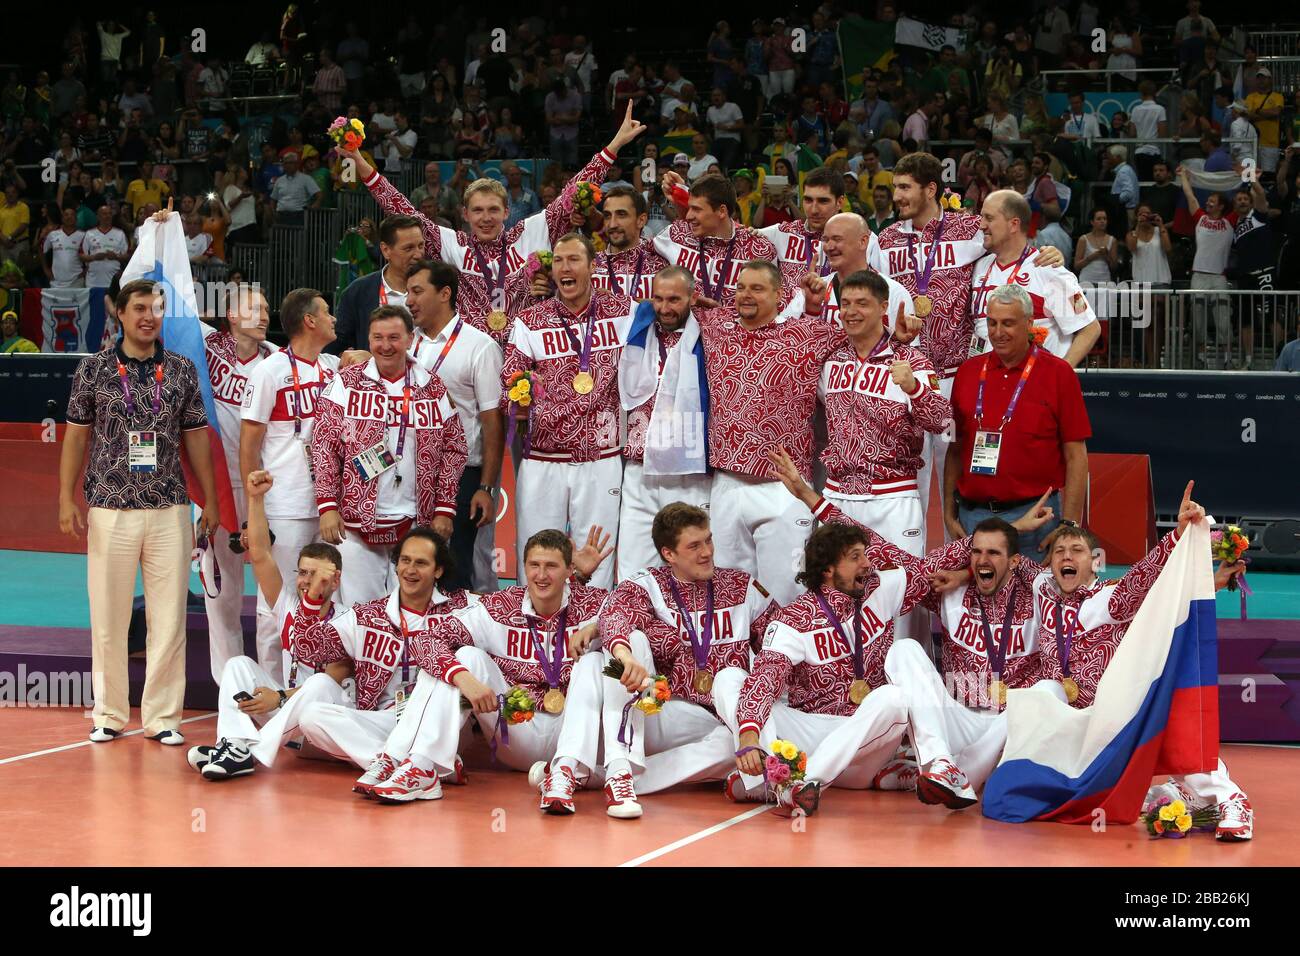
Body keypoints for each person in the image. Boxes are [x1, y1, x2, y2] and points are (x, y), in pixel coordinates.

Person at [716, 451, 987, 814]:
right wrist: (748, 732)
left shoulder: (882, 589)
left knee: (893, 696)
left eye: (865, 555)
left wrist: (986, 540)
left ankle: (795, 783)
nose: (868, 563)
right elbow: (766, 678)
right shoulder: (796, 619)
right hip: (810, 732)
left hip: (865, 740)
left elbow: (925, 564)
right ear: (828, 570)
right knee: (730, 679)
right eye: (856, 557)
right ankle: (781, 779)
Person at [339, 102, 647, 344]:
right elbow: (400, 206)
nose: (485, 218)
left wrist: (615, 145)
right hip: (469, 355)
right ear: (465, 213)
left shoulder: (531, 232)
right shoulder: (451, 244)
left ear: (506, 210)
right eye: (478, 211)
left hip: (527, 349)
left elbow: (574, 191)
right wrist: (361, 163)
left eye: (492, 210)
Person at [60, 277, 219, 744]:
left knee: (168, 619)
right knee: (108, 616)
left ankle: (163, 718)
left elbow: (196, 439)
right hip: (109, 508)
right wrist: (64, 497)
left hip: (170, 507)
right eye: (140, 308)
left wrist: (207, 497)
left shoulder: (183, 369)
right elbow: (75, 436)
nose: (149, 316)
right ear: (120, 314)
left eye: (156, 308)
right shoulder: (93, 370)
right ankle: (108, 713)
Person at [355, 529, 609, 806]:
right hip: (516, 729)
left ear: (569, 570)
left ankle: (565, 772)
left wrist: (597, 627)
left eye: (551, 566)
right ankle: (422, 766)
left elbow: (635, 617)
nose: (541, 575)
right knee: (465, 656)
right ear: (523, 568)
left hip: (570, 730)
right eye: (534, 566)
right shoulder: (500, 606)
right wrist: (464, 678)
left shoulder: (595, 604)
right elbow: (428, 640)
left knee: (595, 661)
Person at [878, 152, 1063, 518]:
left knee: (958, 481)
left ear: (931, 189)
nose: (895, 196)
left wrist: (1048, 253)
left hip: (957, 375)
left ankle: (959, 562)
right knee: (907, 484)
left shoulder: (968, 229)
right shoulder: (884, 240)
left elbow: (1012, 243)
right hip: (904, 376)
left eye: (903, 187)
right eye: (894, 187)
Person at [598, 503, 777, 816]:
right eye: (694, 546)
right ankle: (617, 767)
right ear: (669, 554)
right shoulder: (649, 585)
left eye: (708, 540)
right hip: (666, 713)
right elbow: (613, 614)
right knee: (626, 644)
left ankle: (612, 778)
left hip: (721, 716)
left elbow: (779, 638)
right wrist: (625, 655)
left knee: (735, 742)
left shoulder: (740, 586)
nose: (707, 552)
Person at [689, 261, 841, 605]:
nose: (746, 295)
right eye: (741, 287)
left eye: (757, 289)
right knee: (729, 596)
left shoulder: (809, 333)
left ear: (780, 295)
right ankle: (735, 659)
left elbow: (865, 335)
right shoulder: (716, 325)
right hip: (727, 484)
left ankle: (786, 658)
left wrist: (904, 335)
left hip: (784, 488)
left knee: (788, 594)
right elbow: (668, 305)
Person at [187, 469, 351, 780]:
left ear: (335, 580)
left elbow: (334, 680)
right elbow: (260, 553)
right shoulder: (290, 607)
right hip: (288, 721)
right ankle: (234, 744)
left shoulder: (348, 621)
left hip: (326, 727)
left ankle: (249, 750)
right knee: (237, 665)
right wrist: (255, 498)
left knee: (319, 684)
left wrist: (278, 698)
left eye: (317, 575)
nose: (306, 582)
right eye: (302, 573)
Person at [500, 233, 635, 590]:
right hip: (544, 459)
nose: (565, 268)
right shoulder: (530, 321)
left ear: (593, 266)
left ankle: (592, 634)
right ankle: (533, 635)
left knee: (599, 552)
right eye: (558, 261)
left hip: (601, 456)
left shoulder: (625, 312)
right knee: (538, 551)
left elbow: (671, 313)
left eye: (574, 259)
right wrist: (523, 399)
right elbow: (509, 381)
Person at [313, 304, 467, 607]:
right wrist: (327, 506)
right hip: (355, 523)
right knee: (361, 613)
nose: (385, 346)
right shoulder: (345, 384)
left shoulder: (431, 386)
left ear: (410, 338)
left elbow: (455, 448)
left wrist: (445, 508)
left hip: (416, 521)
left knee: (412, 612)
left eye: (394, 337)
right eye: (377, 338)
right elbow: (323, 446)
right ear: (368, 339)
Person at [292, 527, 479, 774]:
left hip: (437, 723)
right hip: (385, 720)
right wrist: (314, 594)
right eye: (405, 561)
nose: (410, 570)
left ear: (438, 570)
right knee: (311, 716)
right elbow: (309, 647)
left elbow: (513, 616)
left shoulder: (463, 609)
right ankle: (413, 767)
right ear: (396, 565)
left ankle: (406, 763)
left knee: (471, 659)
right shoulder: (367, 615)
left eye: (421, 563)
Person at [240, 289, 341, 684]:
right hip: (285, 503)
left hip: (331, 504)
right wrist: (255, 509)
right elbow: (249, 443)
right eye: (327, 312)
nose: (334, 318)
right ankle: (271, 692)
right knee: (277, 603)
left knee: (326, 599)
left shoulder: (334, 368)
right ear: (310, 321)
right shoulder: (268, 372)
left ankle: (314, 688)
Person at [944, 283, 1091, 554]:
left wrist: (1069, 525)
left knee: (1035, 596)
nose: (998, 333)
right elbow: (954, 448)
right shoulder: (967, 372)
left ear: (1029, 323)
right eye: (992, 323)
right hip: (972, 517)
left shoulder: (1059, 374)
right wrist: (949, 513)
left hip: (1038, 518)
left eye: (1008, 323)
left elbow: (1076, 456)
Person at [402, 260, 504, 593]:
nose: (408, 301)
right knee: (411, 566)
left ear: (445, 293)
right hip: (408, 473)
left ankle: (456, 641)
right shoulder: (405, 345)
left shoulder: (480, 347)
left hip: (461, 475)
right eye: (407, 293)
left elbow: (492, 422)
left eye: (417, 291)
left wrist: (486, 488)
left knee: (455, 567)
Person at [200, 285, 278, 682]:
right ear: (231, 315)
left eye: (266, 308)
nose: (263, 314)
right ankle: (230, 684)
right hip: (218, 488)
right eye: (253, 308)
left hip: (267, 491)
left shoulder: (278, 361)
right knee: (222, 593)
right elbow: (165, 298)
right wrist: (158, 232)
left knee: (273, 588)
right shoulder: (207, 346)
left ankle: (273, 684)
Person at [616, 267, 712, 575]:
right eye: (658, 298)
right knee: (633, 571)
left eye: (674, 299)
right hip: (639, 470)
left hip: (688, 471)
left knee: (691, 570)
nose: (665, 308)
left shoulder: (712, 333)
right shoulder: (637, 327)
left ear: (692, 298)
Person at [973, 190, 1100, 366]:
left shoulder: (1048, 269)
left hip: (1032, 386)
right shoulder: (979, 267)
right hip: (988, 383)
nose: (981, 225)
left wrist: (1060, 376)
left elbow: (1090, 328)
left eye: (989, 218)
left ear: (1013, 224)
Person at [654, 172, 796, 309]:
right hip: (686, 331)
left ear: (722, 211)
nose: (689, 216)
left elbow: (772, 304)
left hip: (740, 332)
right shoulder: (677, 234)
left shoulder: (757, 248)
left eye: (696, 209)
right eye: (689, 207)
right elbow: (636, 255)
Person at [760, 166, 881, 316]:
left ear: (840, 201)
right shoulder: (781, 233)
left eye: (823, 201)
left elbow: (879, 289)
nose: (814, 209)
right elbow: (736, 235)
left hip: (840, 326)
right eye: (808, 200)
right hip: (790, 331)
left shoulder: (864, 239)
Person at [332, 214, 424, 353]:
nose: (418, 254)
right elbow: (337, 344)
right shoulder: (358, 292)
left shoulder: (437, 289)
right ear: (386, 250)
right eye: (409, 248)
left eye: (420, 246)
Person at [1179, 167, 1235, 369]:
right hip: (1199, 277)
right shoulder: (1201, 218)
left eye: (1212, 200)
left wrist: (1248, 177)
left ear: (1220, 206)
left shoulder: (1230, 221)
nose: (1207, 202)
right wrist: (1184, 177)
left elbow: (1245, 200)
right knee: (1199, 322)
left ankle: (1227, 358)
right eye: (1208, 200)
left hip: (1219, 278)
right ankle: (1201, 358)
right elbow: (1189, 195)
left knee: (1222, 321)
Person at [589, 186, 669, 301]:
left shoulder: (661, 263)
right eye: (607, 216)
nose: (612, 224)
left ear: (641, 220)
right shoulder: (591, 267)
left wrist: (620, 301)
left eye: (621, 214)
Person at [1230, 180, 1279, 369]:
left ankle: (1279, 357)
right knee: (1245, 319)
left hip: (1264, 273)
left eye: (1245, 199)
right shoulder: (1236, 226)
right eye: (1238, 200)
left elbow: (1260, 194)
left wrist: (1252, 179)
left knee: (1272, 316)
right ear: (1234, 205)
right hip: (1245, 277)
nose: (1242, 201)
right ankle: (1249, 360)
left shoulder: (1258, 215)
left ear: (1250, 203)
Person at [78, 204, 129, 289]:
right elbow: (81, 255)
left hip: (114, 282)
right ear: (98, 216)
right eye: (104, 214)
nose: (108, 216)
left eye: (109, 213)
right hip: (93, 282)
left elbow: (128, 256)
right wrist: (94, 257)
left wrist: (116, 256)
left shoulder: (120, 233)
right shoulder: (89, 233)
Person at [1245, 68, 1285, 175]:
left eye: (1264, 78)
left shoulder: (1278, 96)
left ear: (1270, 80)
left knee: (1268, 176)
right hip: (1252, 144)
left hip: (1270, 145)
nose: (1261, 80)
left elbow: (1276, 112)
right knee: (1252, 176)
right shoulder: (1250, 97)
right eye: (1259, 78)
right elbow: (1248, 115)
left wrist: (1257, 111)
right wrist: (1267, 114)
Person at [268, 151, 321, 225]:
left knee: (298, 236)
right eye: (285, 163)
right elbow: (273, 199)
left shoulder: (306, 179)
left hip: (299, 215)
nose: (287, 165)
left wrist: (315, 205)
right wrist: (273, 213)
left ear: (296, 164)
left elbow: (319, 194)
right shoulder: (279, 180)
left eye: (290, 163)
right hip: (281, 215)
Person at [43, 207, 86, 288]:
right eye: (66, 215)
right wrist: (46, 270)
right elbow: (42, 250)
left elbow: (91, 255)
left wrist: (85, 272)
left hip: (77, 280)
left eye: (72, 215)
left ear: (76, 219)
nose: (69, 217)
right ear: (62, 218)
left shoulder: (83, 235)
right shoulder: (52, 234)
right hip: (56, 280)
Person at [1074, 207, 1117, 286]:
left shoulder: (1112, 240)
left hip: (1105, 281)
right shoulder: (1083, 239)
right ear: (1092, 222)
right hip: (1086, 281)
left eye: (1104, 219)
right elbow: (1076, 265)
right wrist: (1093, 256)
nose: (1102, 221)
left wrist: (1106, 256)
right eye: (1099, 219)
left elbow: (1114, 267)